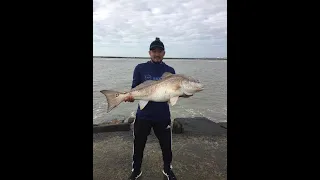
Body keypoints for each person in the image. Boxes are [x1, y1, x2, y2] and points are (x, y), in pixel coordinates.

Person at [125, 37, 177, 180]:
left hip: (163, 116)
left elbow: (174, 93)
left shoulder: (170, 71)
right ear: (149, 52)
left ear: (164, 53)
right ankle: (136, 170)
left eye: (159, 51)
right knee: (138, 145)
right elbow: (134, 89)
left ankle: (168, 170)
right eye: (154, 51)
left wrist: (185, 93)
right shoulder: (140, 68)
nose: (156, 53)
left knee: (166, 147)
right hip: (143, 115)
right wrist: (130, 97)